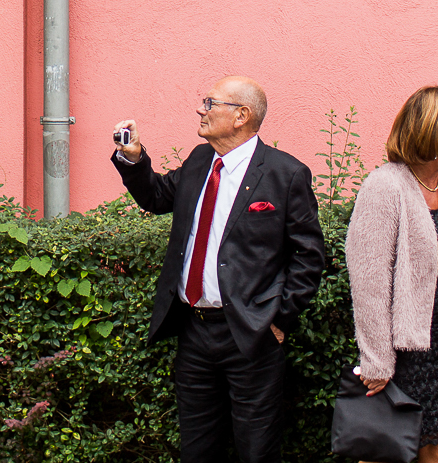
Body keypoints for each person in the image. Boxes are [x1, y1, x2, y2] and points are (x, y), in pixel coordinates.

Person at [112, 76, 328, 463]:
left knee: (256, 451)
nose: (201, 109)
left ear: (241, 116)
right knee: (197, 449)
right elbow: (158, 196)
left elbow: (309, 256)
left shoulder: (285, 174)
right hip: (193, 331)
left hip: (251, 334)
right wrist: (133, 158)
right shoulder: (199, 160)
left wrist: (279, 317)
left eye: (211, 103)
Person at [346, 84, 438, 463]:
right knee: (386, 452)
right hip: (399, 353)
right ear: (435, 130)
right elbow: (369, 283)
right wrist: (377, 362)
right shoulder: (384, 186)